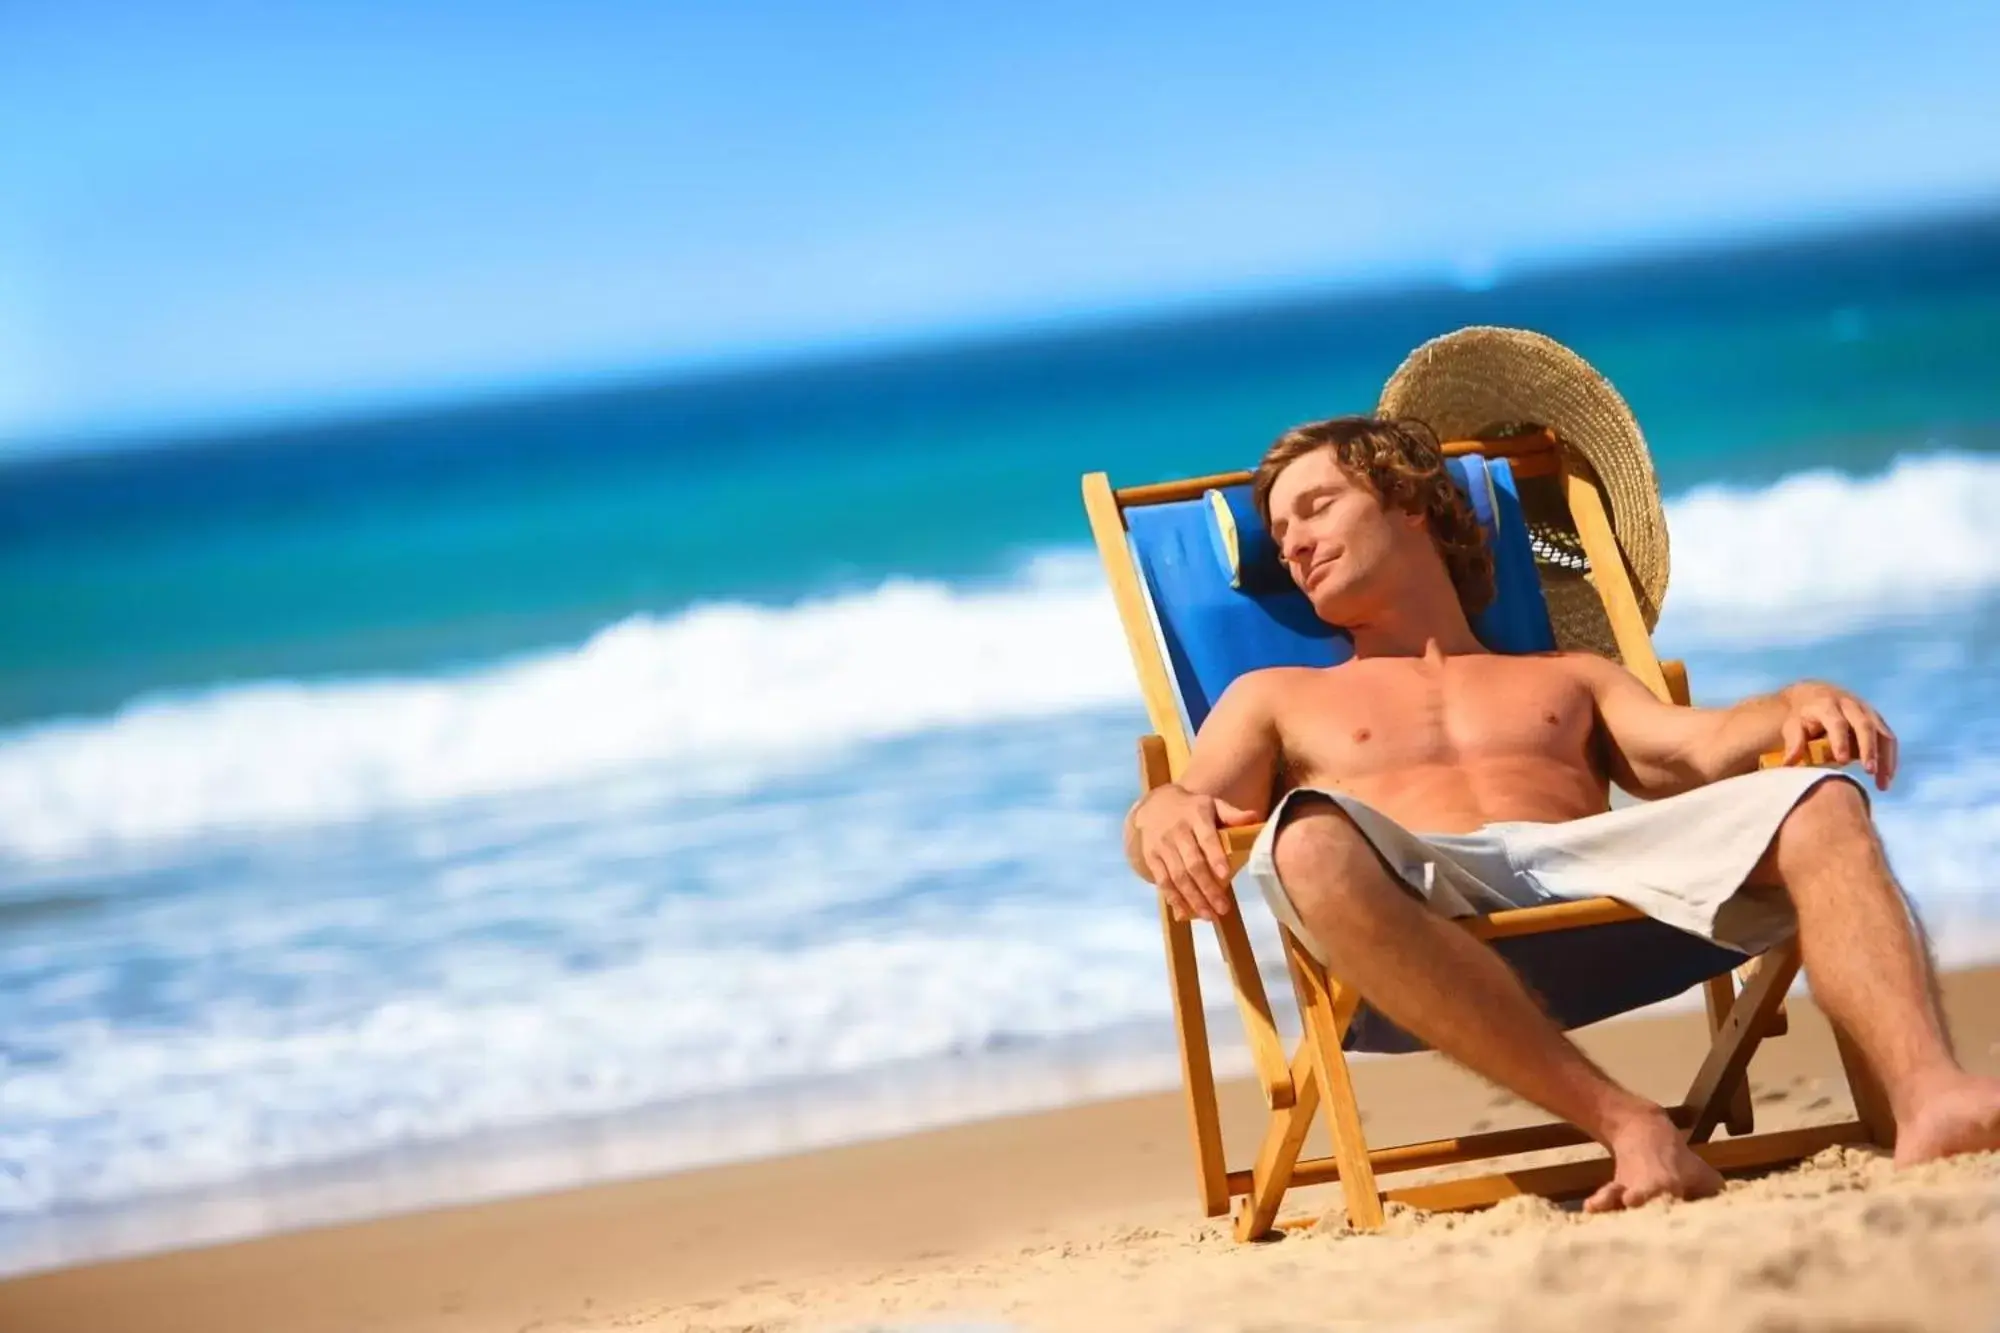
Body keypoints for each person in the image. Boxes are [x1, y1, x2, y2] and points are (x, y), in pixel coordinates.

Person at [1123, 403, 2000, 1213]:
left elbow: (1685, 752)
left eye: (1315, 508)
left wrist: (1795, 700)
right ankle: (1629, 1124)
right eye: (1278, 532)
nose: (1292, 545)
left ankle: (1933, 1099)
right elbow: (1192, 806)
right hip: (1422, 912)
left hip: (1612, 880)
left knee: (1820, 800)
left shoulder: (1569, 673)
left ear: (1411, 503)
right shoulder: (1273, 694)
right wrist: (1158, 810)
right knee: (1305, 843)